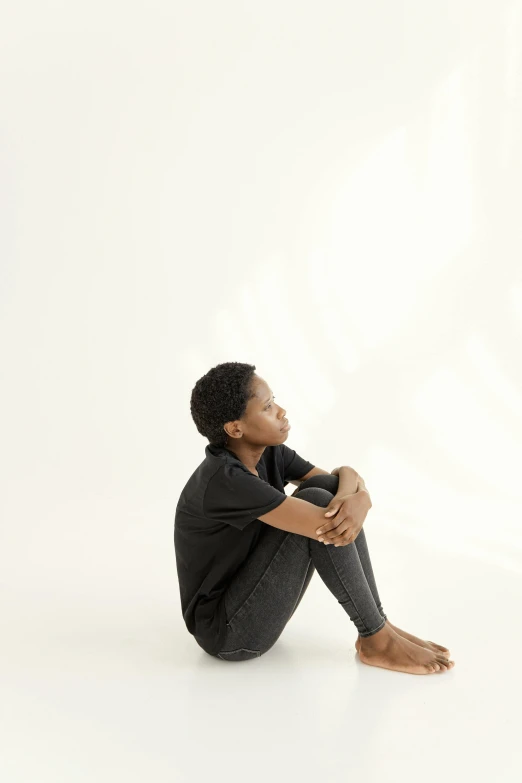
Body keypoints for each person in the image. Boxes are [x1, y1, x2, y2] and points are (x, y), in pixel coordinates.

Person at [174, 361, 455, 675]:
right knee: (318, 501)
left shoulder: (268, 452)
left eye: (274, 400)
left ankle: (378, 625)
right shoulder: (225, 480)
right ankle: (375, 636)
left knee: (324, 489)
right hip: (229, 634)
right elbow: (327, 519)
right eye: (267, 407)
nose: (281, 411)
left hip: (249, 598)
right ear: (236, 428)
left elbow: (336, 483)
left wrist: (357, 491)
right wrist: (357, 494)